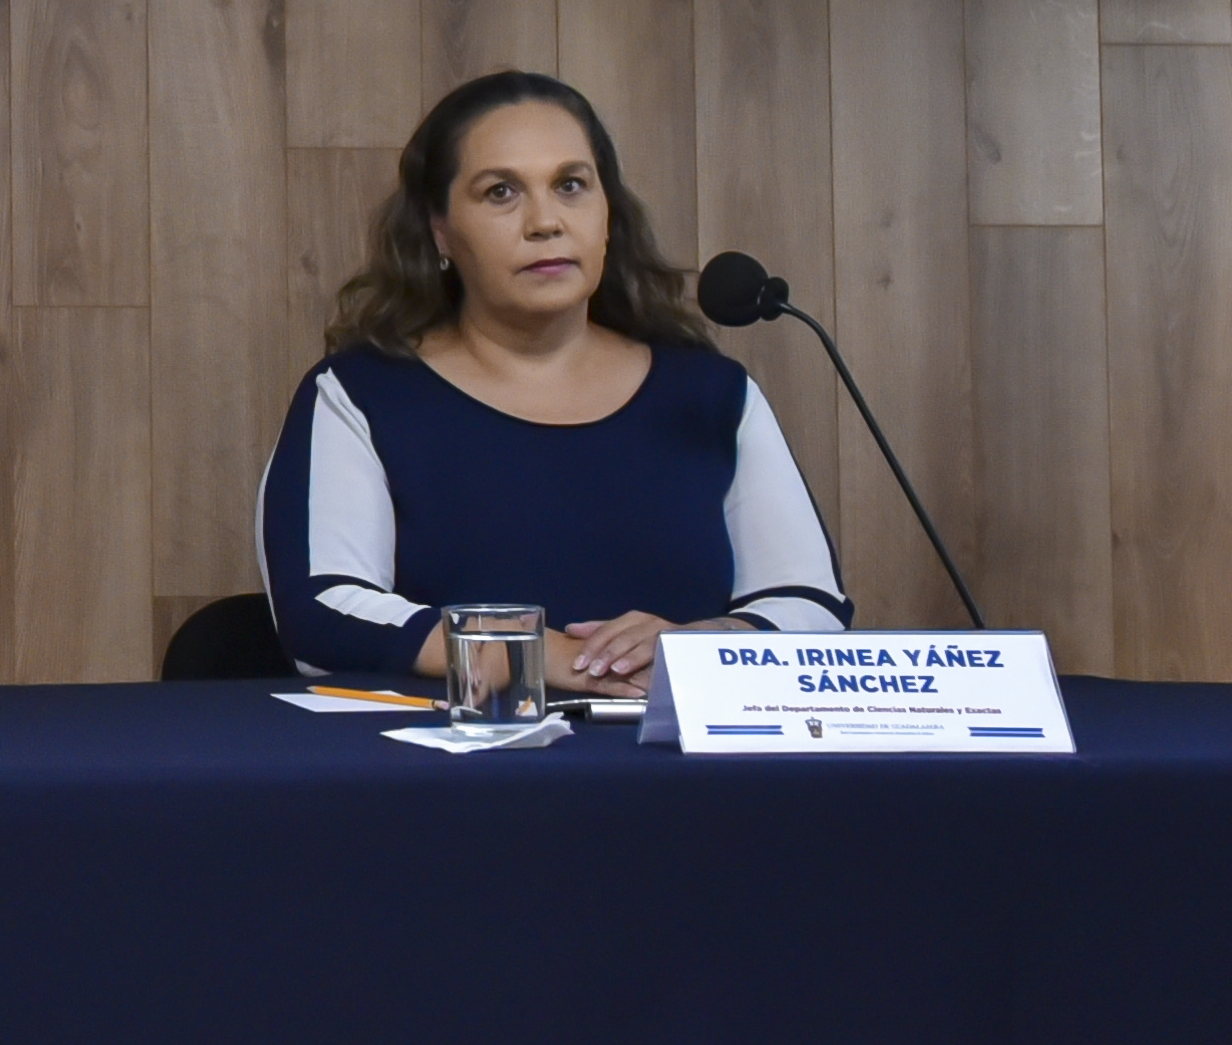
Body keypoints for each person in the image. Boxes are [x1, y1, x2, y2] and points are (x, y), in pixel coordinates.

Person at [258, 69, 847, 692]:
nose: (545, 221)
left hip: (673, 747)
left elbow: (810, 603)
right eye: (500, 192)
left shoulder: (711, 396)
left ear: (607, 214)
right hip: (456, 749)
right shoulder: (362, 394)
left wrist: (704, 646)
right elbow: (322, 611)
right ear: (439, 230)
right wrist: (538, 656)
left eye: (571, 185)